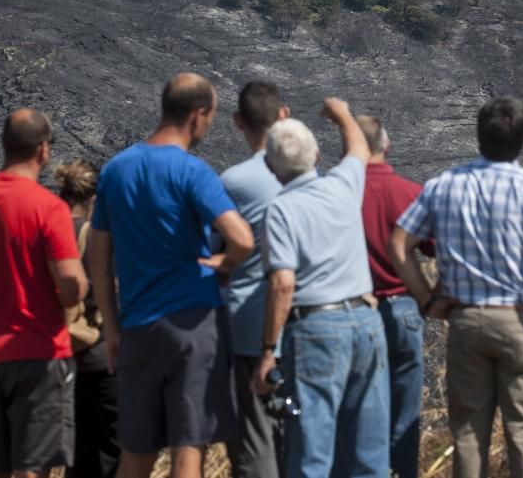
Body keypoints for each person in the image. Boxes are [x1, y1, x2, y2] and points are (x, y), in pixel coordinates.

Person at [388, 96, 523, 478]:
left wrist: (427, 298)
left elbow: (399, 244)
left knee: (467, 435)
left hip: (467, 322)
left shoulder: (443, 185)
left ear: (479, 135)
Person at [88, 72, 254, 478]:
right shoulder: (193, 172)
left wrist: (111, 328)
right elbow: (243, 239)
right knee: (187, 449)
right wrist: (224, 266)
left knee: (136, 452)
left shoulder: (116, 170)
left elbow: (97, 258)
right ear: (197, 116)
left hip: (138, 325)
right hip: (193, 324)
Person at [0, 109, 88, 478]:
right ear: (43, 150)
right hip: (37, 351)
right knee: (31, 466)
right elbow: (71, 287)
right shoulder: (49, 208)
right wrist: (78, 288)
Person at [251, 99, 390, 478]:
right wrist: (342, 113)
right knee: (370, 452)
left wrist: (267, 351)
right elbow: (360, 148)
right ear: (318, 156)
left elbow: (282, 282)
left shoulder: (280, 210)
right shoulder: (343, 185)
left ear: (270, 166)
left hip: (316, 331)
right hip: (366, 322)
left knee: (313, 452)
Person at [356, 115, 435, 478]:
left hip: (353, 314)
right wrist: (433, 298)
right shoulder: (412, 193)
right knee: (404, 419)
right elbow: (439, 248)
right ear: (388, 147)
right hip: (403, 309)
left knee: (355, 412)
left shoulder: (335, 194)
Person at [219, 82, 290, 478]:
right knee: (296, 429)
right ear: (284, 114)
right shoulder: (312, 180)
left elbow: (217, 253)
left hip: (247, 327)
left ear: (237, 122)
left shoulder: (232, 183)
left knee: (255, 437)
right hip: (303, 326)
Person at [55, 159, 119, 478]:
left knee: (77, 456)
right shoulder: (94, 234)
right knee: (113, 451)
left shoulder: (44, 230)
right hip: (98, 349)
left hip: (55, 357)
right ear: (95, 199)